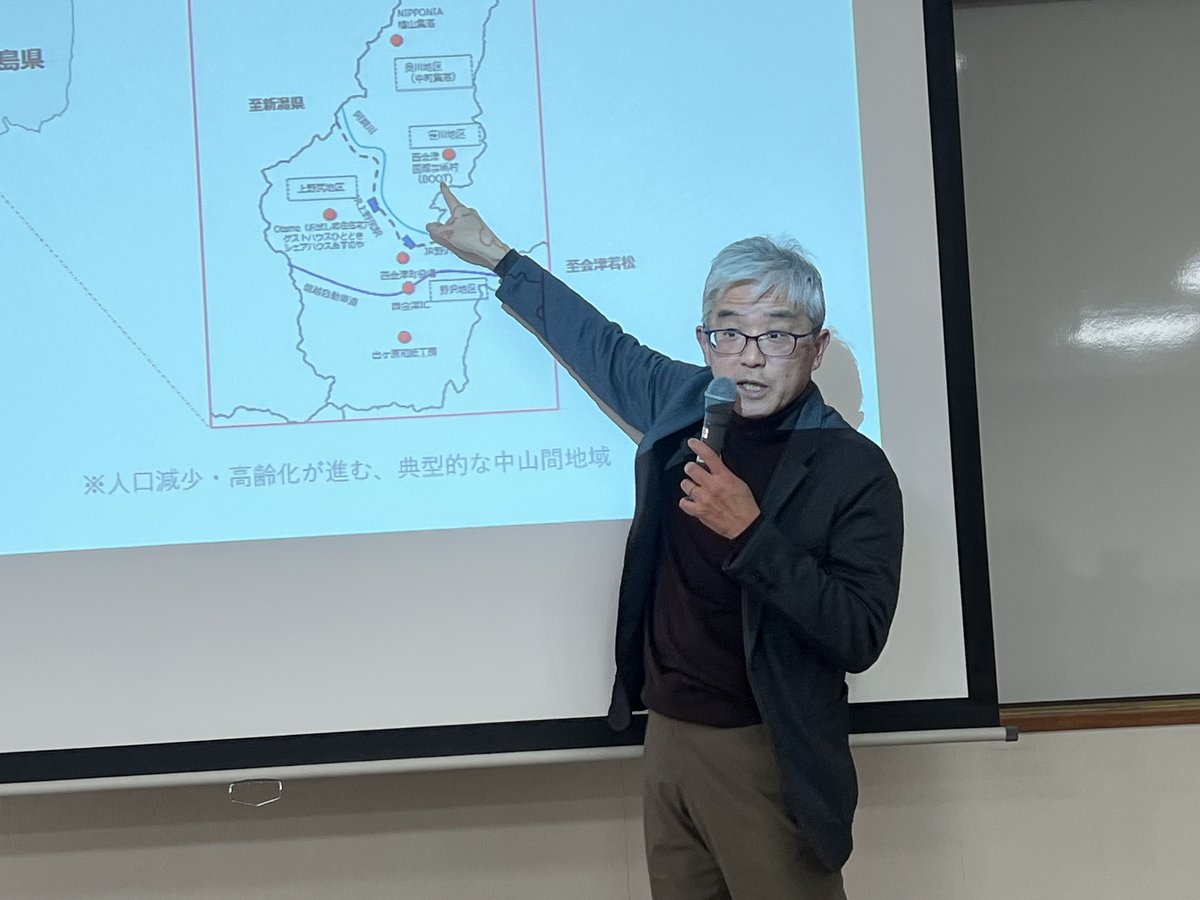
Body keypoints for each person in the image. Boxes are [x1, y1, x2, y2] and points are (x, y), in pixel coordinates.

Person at [427, 183, 903, 900]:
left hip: (766, 746)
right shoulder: (683, 403)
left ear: (816, 347)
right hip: (669, 737)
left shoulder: (853, 468)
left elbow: (858, 632)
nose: (750, 357)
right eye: (729, 333)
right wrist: (496, 255)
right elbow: (598, 343)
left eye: (776, 335)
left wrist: (750, 531)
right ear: (705, 342)